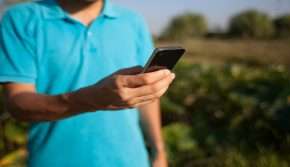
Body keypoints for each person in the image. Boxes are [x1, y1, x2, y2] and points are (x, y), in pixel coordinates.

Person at [0, 0, 175, 166]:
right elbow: (18, 104)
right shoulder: (21, 19)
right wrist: (90, 99)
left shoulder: (133, 21)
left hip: (132, 161)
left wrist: (158, 152)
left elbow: (146, 96)